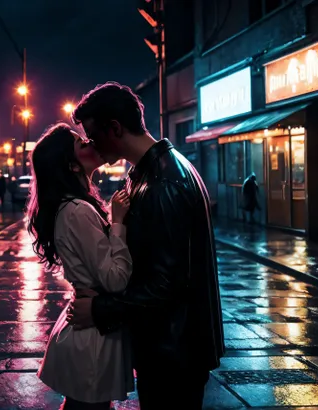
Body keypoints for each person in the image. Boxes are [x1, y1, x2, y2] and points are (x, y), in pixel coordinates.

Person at [69, 82, 224, 409]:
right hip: (172, 348)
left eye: (95, 137)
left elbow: (164, 284)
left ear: (115, 128)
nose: (93, 147)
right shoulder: (155, 172)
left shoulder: (163, 181)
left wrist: (98, 310)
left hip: (174, 354)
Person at [27, 123, 134, 409]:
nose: (90, 142)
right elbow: (115, 279)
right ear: (71, 165)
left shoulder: (74, 206)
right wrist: (119, 221)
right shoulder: (76, 210)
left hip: (90, 326)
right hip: (92, 335)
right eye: (80, 143)